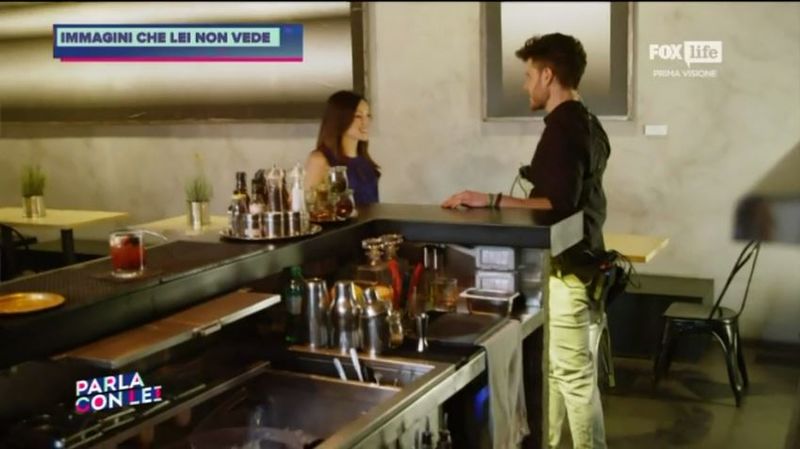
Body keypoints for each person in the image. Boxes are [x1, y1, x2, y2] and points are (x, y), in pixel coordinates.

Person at [442, 33, 611, 449]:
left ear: (548, 76)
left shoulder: (563, 128)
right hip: (587, 266)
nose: (525, 85)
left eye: (528, 75)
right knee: (558, 372)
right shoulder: (588, 121)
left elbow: (556, 204)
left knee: (573, 378)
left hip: (569, 271)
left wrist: (489, 200)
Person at [305, 90, 381, 207]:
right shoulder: (319, 160)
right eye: (358, 116)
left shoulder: (364, 160)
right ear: (340, 119)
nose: (366, 122)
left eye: (368, 115)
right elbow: (309, 206)